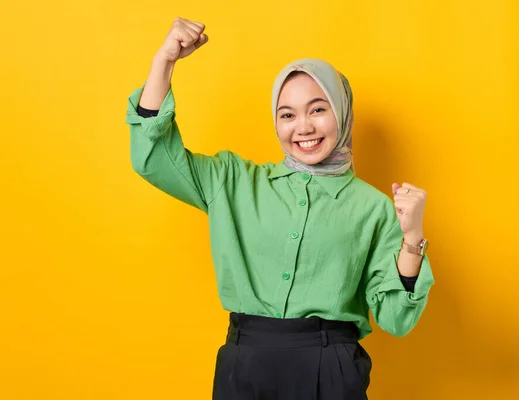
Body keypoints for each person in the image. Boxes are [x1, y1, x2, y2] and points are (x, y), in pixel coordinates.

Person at [125, 17, 434, 400]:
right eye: (287, 114)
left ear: (341, 111)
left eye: (317, 109)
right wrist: (164, 62)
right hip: (245, 367)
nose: (303, 126)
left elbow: (396, 317)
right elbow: (153, 158)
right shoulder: (232, 181)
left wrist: (412, 238)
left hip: (331, 369)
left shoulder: (372, 208)